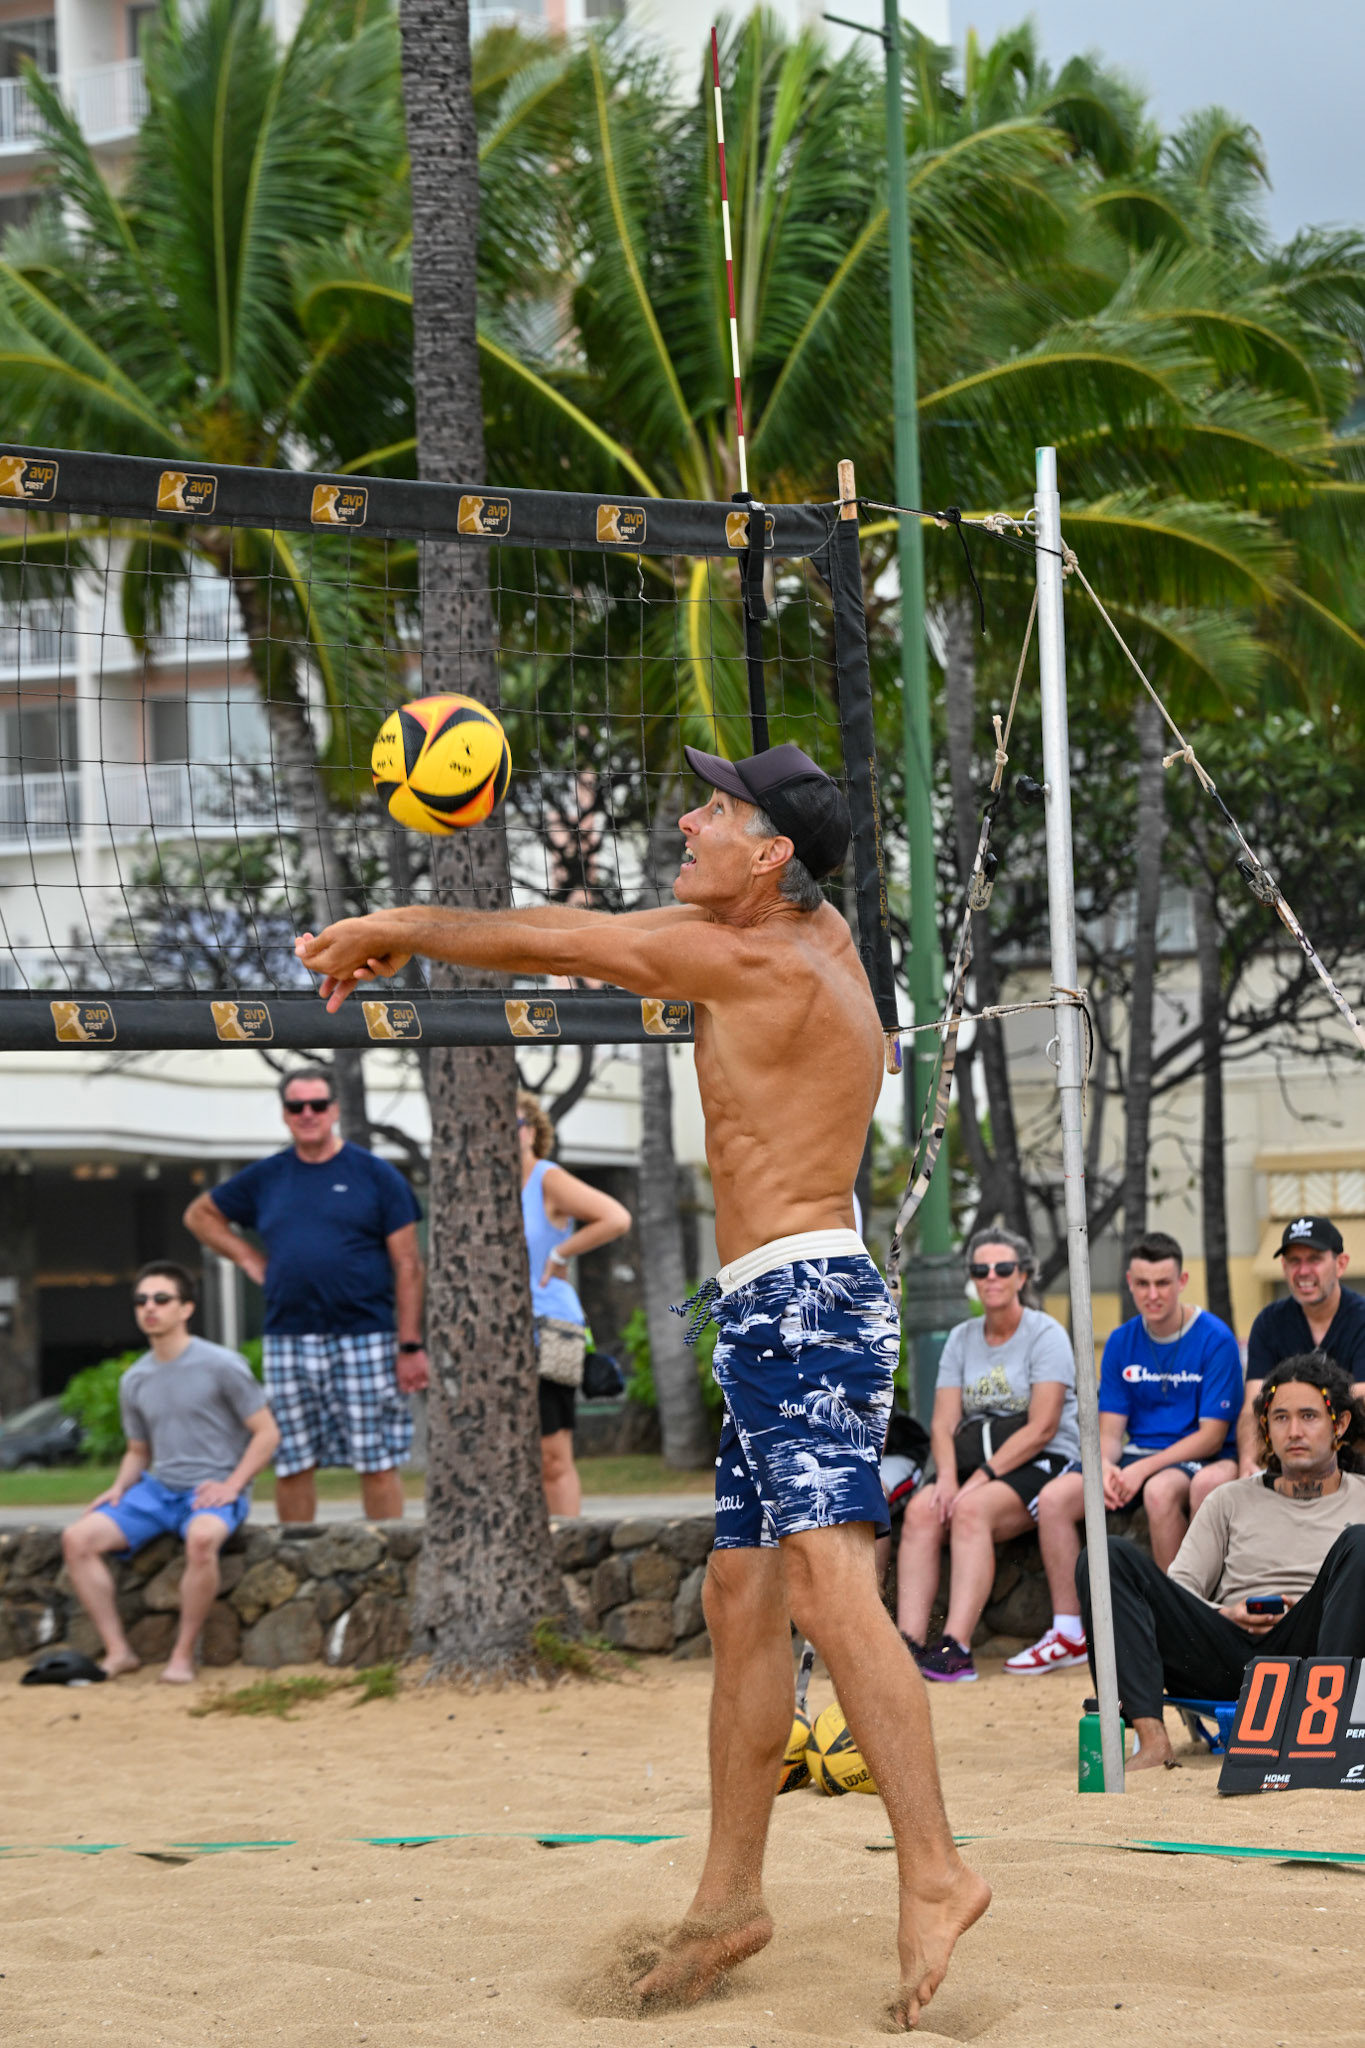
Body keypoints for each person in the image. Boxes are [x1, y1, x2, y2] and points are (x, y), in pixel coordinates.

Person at [294, 739, 990, 2032]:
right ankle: (730, 1900)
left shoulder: (752, 958)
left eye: (714, 811)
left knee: (834, 1593)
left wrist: (397, 921)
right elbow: (597, 920)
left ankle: (937, 1871)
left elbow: (570, 939)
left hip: (802, 1305)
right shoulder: (809, 930)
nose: (686, 818)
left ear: (771, 853)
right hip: (779, 1305)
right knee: (742, 1600)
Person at [1077, 1352, 1365, 1771]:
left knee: (1358, 1542)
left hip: (1316, 1656)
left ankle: (1326, 1737)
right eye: (1280, 1418)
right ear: (1265, 1428)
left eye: (1309, 1416)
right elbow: (1180, 1592)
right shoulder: (1230, 1499)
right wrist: (1226, 1612)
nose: (1294, 1431)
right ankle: (1153, 1741)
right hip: (1229, 1655)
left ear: (1338, 1424)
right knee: (1105, 1556)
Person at [183, 1066, 428, 1524]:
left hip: (367, 1335)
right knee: (293, 1461)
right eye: (298, 1106)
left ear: (334, 1110)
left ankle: (388, 1564)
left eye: (318, 1105)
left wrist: (410, 1345)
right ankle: (298, 1564)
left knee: (376, 1461)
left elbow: (409, 1265)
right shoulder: (267, 1177)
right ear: (285, 1114)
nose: (308, 1114)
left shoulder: (376, 1175)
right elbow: (201, 1215)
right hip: (289, 1337)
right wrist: (248, 1258)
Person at [1005, 1231, 1241, 1676]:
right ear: (1130, 1282)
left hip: (1196, 1455)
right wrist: (1107, 1468)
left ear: (1183, 1280)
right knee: (1056, 1499)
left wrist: (1141, 1471)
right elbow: (1110, 1430)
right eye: (1143, 1284)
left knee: (1159, 1491)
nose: (1153, 1294)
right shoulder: (1120, 1340)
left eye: (1164, 1283)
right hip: (1136, 1455)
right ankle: (1069, 1629)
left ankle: (1180, 1620)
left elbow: (1211, 1436)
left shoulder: (1216, 1339)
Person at [61, 1263, 279, 1683]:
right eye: (142, 1301)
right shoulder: (135, 1378)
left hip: (212, 1489)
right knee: (77, 1538)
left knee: (201, 1540)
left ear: (186, 1308)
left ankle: (182, 1655)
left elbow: (267, 1434)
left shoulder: (222, 1365)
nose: (150, 1308)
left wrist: (233, 1486)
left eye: (162, 1299)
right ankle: (119, 1651)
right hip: (158, 1490)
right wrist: (119, 1487)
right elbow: (138, 1451)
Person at [896, 1229, 1079, 1683]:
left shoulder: (1045, 1334)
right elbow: (942, 1422)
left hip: (1043, 1461)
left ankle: (956, 1648)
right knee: (922, 1510)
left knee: (971, 1511)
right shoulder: (960, 1338)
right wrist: (948, 1480)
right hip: (975, 1463)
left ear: (1022, 1276)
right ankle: (904, 1645)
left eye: (1003, 1269)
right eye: (980, 1270)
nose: (991, 1277)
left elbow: (1042, 1427)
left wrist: (978, 1481)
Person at [1191, 1214, 1365, 1513]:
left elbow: (1359, 1402)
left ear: (1341, 1263)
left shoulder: (1360, 1317)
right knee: (1217, 1487)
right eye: (1293, 1261)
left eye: (1314, 1259)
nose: (1303, 1270)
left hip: (1352, 1448)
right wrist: (1250, 1461)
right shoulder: (1270, 1322)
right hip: (1287, 1452)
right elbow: (1254, 1405)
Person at [518, 1087, 631, 1516]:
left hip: (550, 1327)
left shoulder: (545, 1177)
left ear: (531, 1131)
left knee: (552, 1452)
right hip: (496, 1333)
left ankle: (563, 1549)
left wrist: (560, 1252)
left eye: (513, 1126)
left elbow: (616, 1217)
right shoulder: (476, 1187)